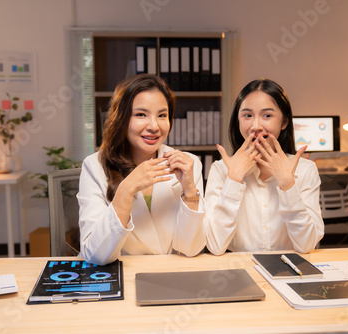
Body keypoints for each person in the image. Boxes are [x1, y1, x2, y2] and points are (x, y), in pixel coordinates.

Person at [78, 74, 206, 265]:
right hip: (122, 276)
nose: (154, 126)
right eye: (141, 114)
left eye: (162, 115)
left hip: (171, 275)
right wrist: (127, 189)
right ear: (121, 118)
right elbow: (96, 255)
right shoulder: (94, 166)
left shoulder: (188, 164)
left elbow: (190, 250)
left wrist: (189, 191)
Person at [205, 78, 324, 255]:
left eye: (267, 115)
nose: (256, 126)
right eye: (247, 115)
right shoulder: (221, 169)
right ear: (237, 121)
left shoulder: (305, 170)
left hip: (289, 272)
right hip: (239, 273)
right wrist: (234, 179)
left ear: (284, 122)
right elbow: (215, 246)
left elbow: (306, 245)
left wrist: (287, 184)